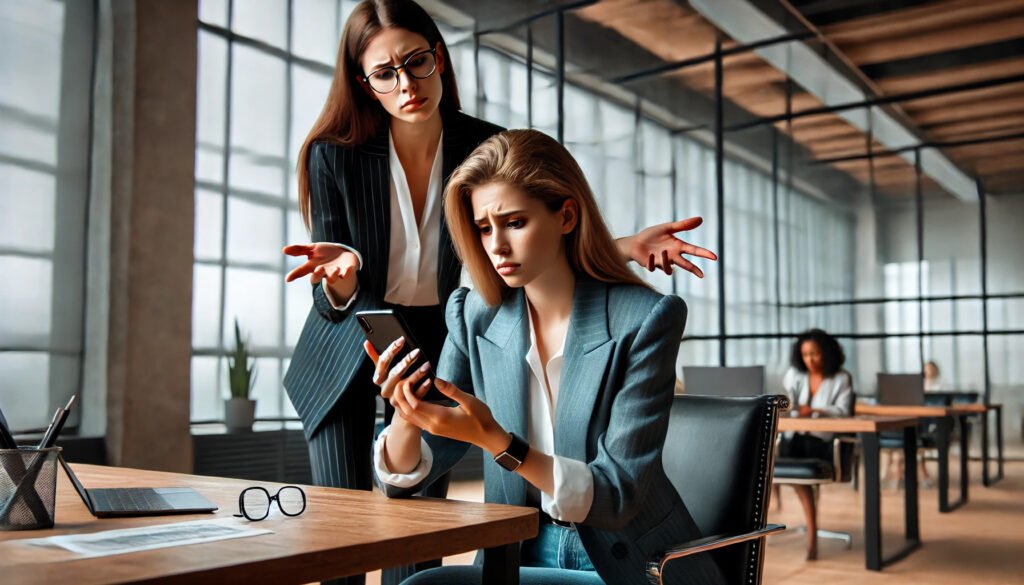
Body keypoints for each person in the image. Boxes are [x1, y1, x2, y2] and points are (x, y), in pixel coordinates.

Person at [281, 2, 717, 583]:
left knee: (418, 545)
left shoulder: (485, 144)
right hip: (349, 338)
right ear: (364, 82)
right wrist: (345, 280)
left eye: (417, 62)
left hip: (440, 335)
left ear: (439, 56)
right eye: (384, 73)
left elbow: (526, 213)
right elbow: (511, 235)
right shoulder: (333, 154)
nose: (405, 83)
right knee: (344, 539)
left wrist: (616, 247)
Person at [366, 129, 726, 585]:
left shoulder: (646, 319)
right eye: (483, 227)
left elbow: (616, 495)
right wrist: (406, 414)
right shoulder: (474, 314)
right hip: (515, 552)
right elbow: (414, 471)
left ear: (567, 216)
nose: (496, 245)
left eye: (514, 222)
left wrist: (500, 443)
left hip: (629, 562)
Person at [780, 328, 854, 461]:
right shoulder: (794, 374)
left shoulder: (841, 378)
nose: (810, 360)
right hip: (793, 438)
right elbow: (786, 404)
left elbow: (843, 411)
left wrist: (814, 411)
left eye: (814, 354)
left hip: (824, 440)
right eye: (805, 355)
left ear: (826, 353)